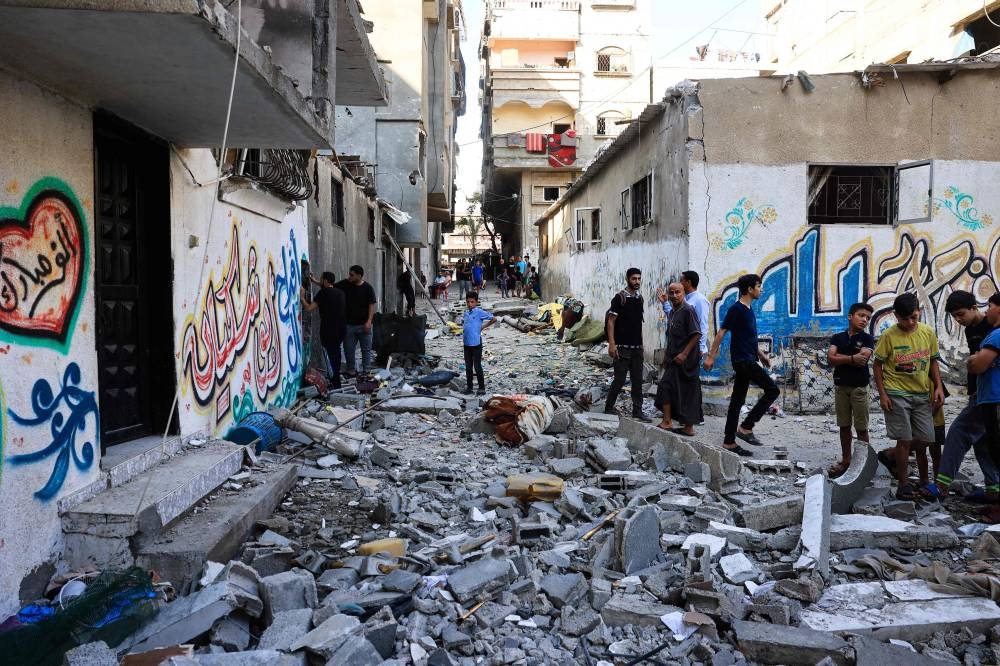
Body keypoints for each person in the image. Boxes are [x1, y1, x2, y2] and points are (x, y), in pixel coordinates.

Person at [873, 292, 944, 501]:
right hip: (897, 393)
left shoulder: (928, 333)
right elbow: (877, 365)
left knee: (926, 439)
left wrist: (938, 386)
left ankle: (895, 460)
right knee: (904, 440)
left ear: (919, 312)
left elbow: (932, 362)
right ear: (896, 316)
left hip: (922, 394)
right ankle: (903, 484)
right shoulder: (889, 335)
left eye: (914, 317)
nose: (910, 322)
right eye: (905, 319)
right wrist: (883, 394)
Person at [929, 290, 999, 500]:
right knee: (983, 442)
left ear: (974, 308)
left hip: (989, 394)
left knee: (959, 431)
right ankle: (993, 489)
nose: (959, 320)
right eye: (955, 317)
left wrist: (977, 364)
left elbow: (980, 362)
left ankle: (942, 484)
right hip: (980, 391)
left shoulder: (992, 328)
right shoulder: (971, 330)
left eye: (961, 314)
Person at [704, 274, 780, 457]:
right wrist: (711, 357)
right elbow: (722, 332)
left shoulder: (749, 310)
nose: (761, 289)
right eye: (759, 286)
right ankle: (746, 427)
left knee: (737, 402)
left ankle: (729, 441)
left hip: (748, 359)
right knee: (773, 390)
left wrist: (761, 356)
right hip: (743, 361)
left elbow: (750, 338)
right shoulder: (736, 309)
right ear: (749, 289)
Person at [826, 303, 876, 478]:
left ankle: (862, 465)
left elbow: (863, 359)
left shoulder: (868, 339)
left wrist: (843, 358)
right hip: (841, 387)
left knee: (861, 428)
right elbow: (830, 358)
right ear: (850, 316)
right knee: (844, 426)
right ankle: (846, 461)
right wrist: (851, 358)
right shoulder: (837, 337)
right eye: (861, 315)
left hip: (859, 388)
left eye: (868, 318)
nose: (864, 320)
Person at [654, 282, 703, 436]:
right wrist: (664, 303)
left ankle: (681, 425)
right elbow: (672, 321)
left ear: (683, 293)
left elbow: (696, 334)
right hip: (674, 359)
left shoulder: (688, 310)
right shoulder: (675, 311)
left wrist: (684, 354)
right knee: (667, 387)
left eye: (678, 293)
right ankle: (670, 422)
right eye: (672, 293)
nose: (674, 296)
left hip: (687, 360)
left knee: (687, 391)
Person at [967, 293, 1000, 514]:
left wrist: (973, 359)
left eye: (989, 305)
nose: (986, 310)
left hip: (995, 399)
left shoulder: (996, 336)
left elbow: (977, 365)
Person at [605, 267, 650, 421]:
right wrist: (612, 344)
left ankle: (637, 411)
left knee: (637, 380)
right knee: (619, 379)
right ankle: (608, 407)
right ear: (627, 279)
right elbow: (611, 321)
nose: (637, 281)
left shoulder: (640, 299)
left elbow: (639, 324)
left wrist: (642, 344)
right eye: (634, 279)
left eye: (638, 278)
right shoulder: (619, 298)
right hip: (622, 348)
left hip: (637, 348)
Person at [299, 272, 346, 389]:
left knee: (329, 357)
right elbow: (327, 291)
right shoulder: (340, 293)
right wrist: (314, 280)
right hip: (341, 329)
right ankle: (337, 381)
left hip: (328, 329)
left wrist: (301, 297)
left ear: (325, 281)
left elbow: (309, 308)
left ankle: (335, 384)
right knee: (336, 354)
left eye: (321, 280)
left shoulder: (323, 293)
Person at [336, 265, 377, 377]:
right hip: (349, 325)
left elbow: (371, 305)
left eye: (352, 275)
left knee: (366, 350)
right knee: (348, 349)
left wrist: (369, 321)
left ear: (359, 276)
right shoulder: (345, 284)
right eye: (349, 274)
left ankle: (366, 371)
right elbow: (330, 286)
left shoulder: (368, 288)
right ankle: (351, 370)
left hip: (364, 325)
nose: (349, 277)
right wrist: (315, 281)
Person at [660, 271, 711, 355]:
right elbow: (674, 317)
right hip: (680, 347)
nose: (679, 283)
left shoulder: (700, 300)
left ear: (688, 282)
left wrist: (701, 348)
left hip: (693, 350)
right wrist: (665, 303)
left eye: (681, 280)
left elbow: (702, 325)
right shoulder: (685, 299)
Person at [462, 291, 495, 394]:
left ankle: (481, 387)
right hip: (466, 344)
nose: (469, 304)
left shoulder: (479, 312)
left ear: (476, 302)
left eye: (472, 302)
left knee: (477, 366)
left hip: (476, 344)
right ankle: (470, 387)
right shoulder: (466, 313)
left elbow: (494, 319)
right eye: (468, 302)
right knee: (468, 367)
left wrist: (482, 327)